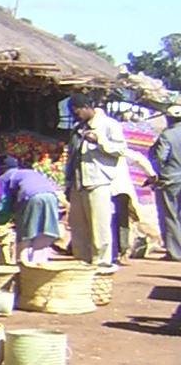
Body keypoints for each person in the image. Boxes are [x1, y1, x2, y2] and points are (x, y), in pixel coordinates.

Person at [64, 95, 126, 268]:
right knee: (78, 226)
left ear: (85, 107)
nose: (75, 115)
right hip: (78, 182)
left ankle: (101, 261)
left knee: (99, 224)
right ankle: (82, 260)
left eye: (76, 111)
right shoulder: (78, 128)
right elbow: (72, 156)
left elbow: (121, 150)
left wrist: (100, 141)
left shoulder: (109, 125)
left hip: (98, 180)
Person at [0, 155, 63, 265]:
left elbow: (4, 202)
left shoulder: (4, 177)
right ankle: (39, 262)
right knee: (45, 230)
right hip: (51, 196)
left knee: (27, 231)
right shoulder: (31, 172)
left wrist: (1, 220)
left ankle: (23, 263)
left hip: (31, 197)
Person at [153, 104, 181, 261]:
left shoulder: (167, 136)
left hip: (170, 179)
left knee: (170, 215)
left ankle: (175, 252)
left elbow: (160, 158)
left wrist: (159, 175)